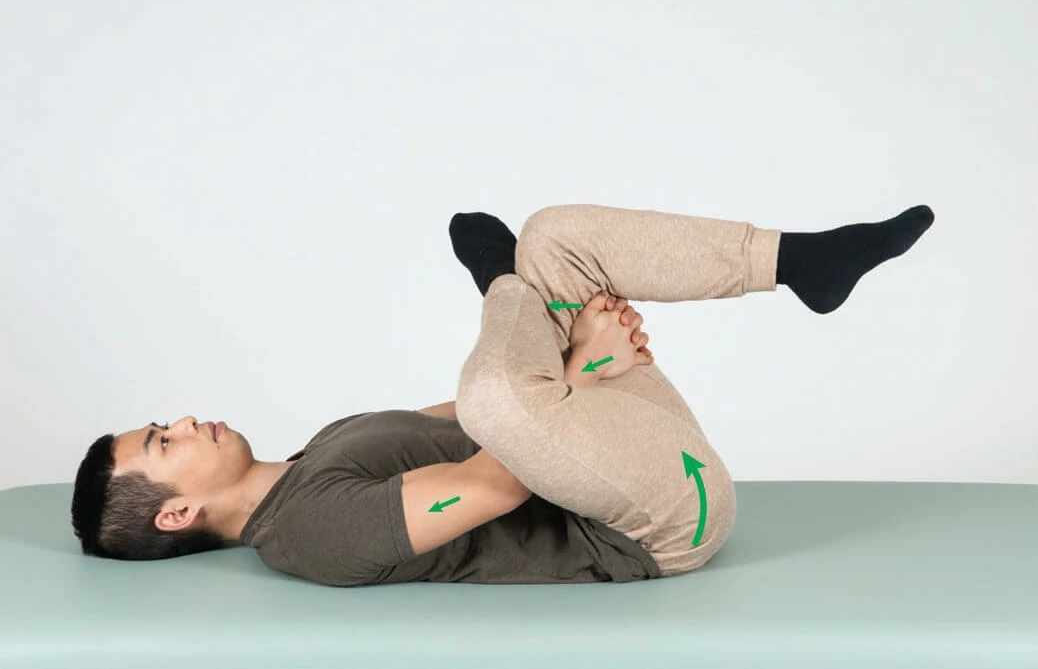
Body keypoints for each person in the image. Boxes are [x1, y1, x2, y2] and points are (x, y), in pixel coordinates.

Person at [71, 202, 934, 585]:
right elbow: (498, 480)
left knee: (555, 240)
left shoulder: (315, 449)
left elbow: (461, 414)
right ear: (175, 513)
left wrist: (573, 351)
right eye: (162, 441)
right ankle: (498, 280)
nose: (182, 420)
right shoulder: (307, 533)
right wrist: (580, 368)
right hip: (661, 526)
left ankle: (802, 262)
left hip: (622, 445)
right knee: (495, 400)